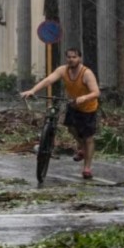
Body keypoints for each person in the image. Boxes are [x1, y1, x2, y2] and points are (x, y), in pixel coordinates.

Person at [20, 47, 101, 179]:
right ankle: (81, 147)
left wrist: (84, 98)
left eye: (74, 57)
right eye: (69, 57)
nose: (71, 60)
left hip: (88, 108)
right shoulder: (63, 70)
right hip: (73, 105)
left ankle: (87, 168)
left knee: (88, 138)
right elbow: (48, 80)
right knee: (71, 128)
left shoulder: (86, 73)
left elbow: (96, 92)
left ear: (79, 58)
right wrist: (33, 90)